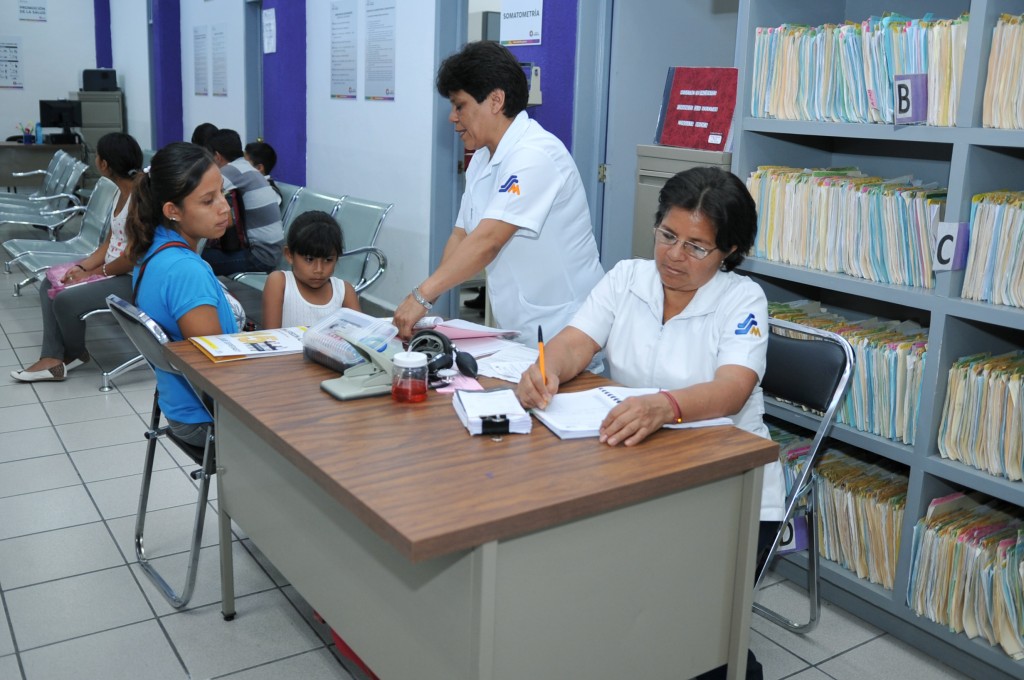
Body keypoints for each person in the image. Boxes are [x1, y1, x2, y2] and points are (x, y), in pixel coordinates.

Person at [516, 167, 783, 679]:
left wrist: (666, 406)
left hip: (730, 487)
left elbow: (733, 389)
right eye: (667, 235)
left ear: (729, 250)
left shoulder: (742, 300)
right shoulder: (627, 278)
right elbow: (576, 342)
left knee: (692, 630)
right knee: (617, 607)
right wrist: (546, 370)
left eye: (696, 246)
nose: (674, 255)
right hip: (636, 473)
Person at [392, 40, 604, 341]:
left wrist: (421, 297)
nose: (452, 116)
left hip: (568, 330)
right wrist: (427, 300)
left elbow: (488, 241)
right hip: (521, 334)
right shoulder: (481, 159)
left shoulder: (536, 155)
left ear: (495, 100)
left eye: (459, 105)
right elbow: (461, 236)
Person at [125, 142, 238, 447]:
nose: (224, 207)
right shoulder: (185, 270)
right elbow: (214, 367)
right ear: (172, 210)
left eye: (222, 194)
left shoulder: (152, 250)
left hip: (180, 409)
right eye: (207, 200)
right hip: (208, 419)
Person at [10, 132, 144, 383]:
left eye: (97, 157)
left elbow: (134, 256)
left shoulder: (140, 197)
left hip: (132, 278)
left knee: (65, 299)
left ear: (104, 164)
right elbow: (110, 241)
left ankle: (73, 352)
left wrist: (95, 273)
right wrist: (83, 266)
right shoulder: (120, 191)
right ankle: (52, 356)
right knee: (51, 283)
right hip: (112, 270)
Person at [202, 128, 284, 276]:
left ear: (217, 156)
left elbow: (199, 193)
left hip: (259, 257)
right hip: (271, 252)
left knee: (195, 259)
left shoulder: (231, 171)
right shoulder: (246, 168)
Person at [261, 209, 360, 328]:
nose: (319, 269)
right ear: (289, 255)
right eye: (309, 259)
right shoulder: (279, 282)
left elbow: (359, 337)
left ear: (337, 258)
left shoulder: (344, 291)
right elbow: (271, 336)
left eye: (328, 260)